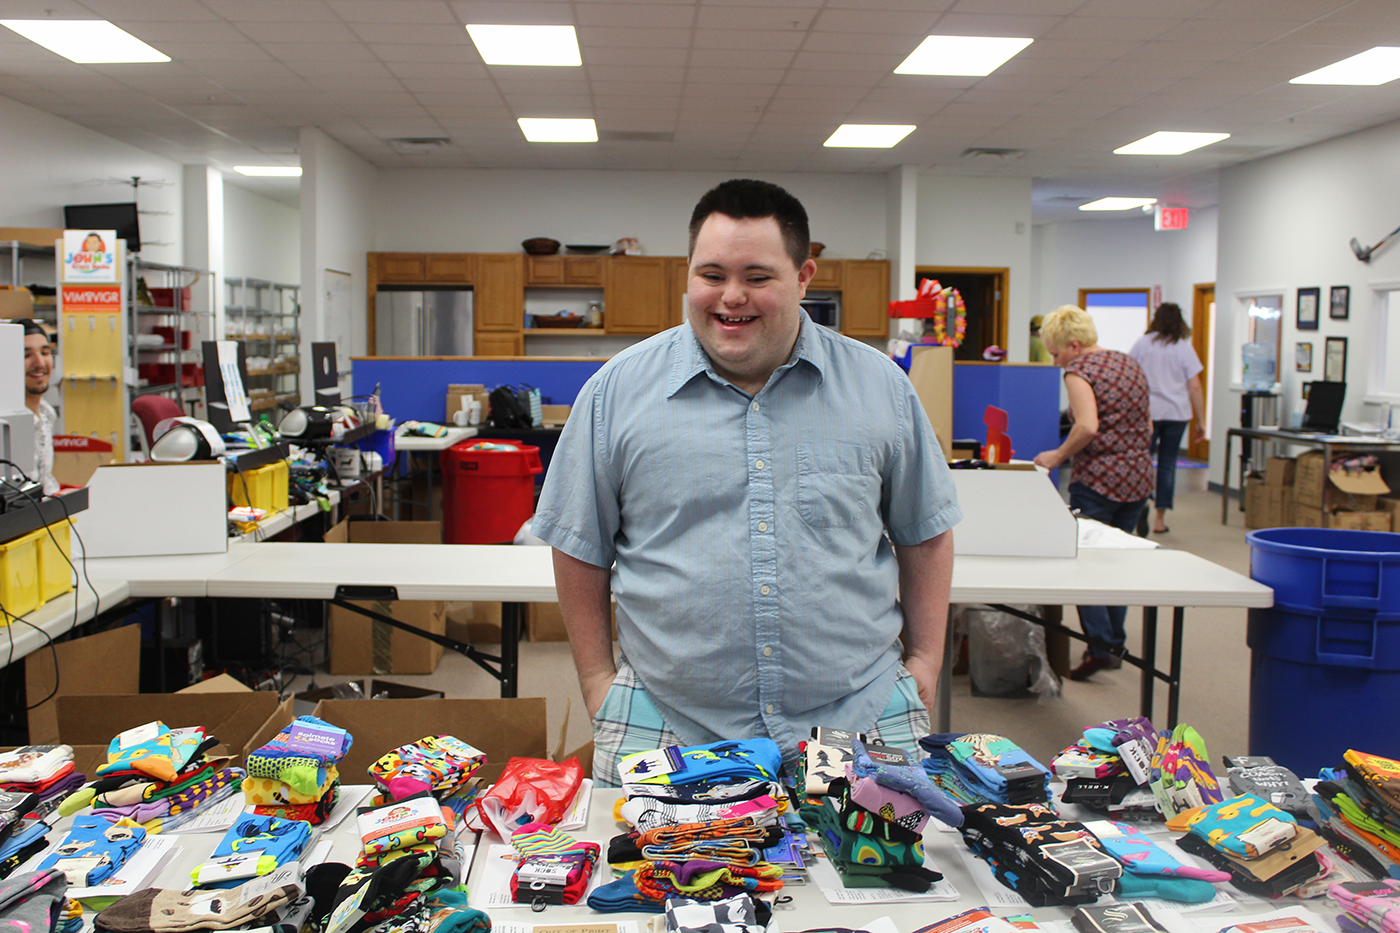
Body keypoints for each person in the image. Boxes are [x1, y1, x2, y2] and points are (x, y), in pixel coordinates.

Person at [532, 179, 961, 786]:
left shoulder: (881, 389)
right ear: (688, 274)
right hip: (668, 718)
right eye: (711, 274)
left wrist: (924, 661)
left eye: (757, 277)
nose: (731, 297)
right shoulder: (615, 393)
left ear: (804, 275)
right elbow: (579, 544)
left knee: (880, 871)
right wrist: (598, 683)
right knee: (664, 879)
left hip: (857, 712)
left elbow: (925, 532)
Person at [1032, 305, 1151, 681]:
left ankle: (1101, 645)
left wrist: (1056, 455)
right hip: (1137, 478)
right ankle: (1114, 643)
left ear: (1074, 344)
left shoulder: (1079, 371)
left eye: (1056, 353)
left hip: (1099, 479)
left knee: (1083, 562)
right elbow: (1146, 422)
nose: (1055, 362)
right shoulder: (1128, 363)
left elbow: (1087, 426)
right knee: (1118, 562)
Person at [1128, 302, 1205, 535]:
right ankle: (1160, 519)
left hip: (1147, 412)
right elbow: (1195, 386)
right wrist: (1201, 421)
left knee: (1142, 461)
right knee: (1167, 465)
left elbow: (1130, 373)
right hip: (1177, 414)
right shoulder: (1183, 348)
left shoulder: (1143, 344)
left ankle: (1139, 505)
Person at [16, 319, 59, 495]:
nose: (40, 363)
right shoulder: (7, 423)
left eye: (45, 352)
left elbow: (45, 482)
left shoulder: (47, 413)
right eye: (26, 355)